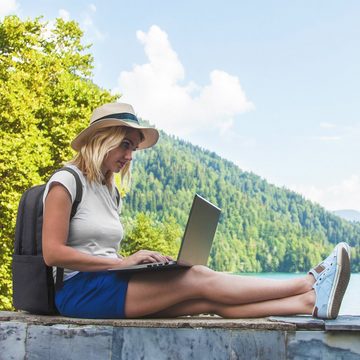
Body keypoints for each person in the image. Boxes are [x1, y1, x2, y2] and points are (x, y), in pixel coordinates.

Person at [42, 102, 351, 320]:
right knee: (199, 277)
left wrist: (140, 261)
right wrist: (121, 263)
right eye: (125, 145)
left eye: (133, 148)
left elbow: (100, 250)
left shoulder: (110, 191)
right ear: (101, 140)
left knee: (205, 300)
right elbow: (52, 254)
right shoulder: (66, 181)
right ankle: (305, 283)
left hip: (109, 283)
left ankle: (309, 303)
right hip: (78, 292)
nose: (130, 156)